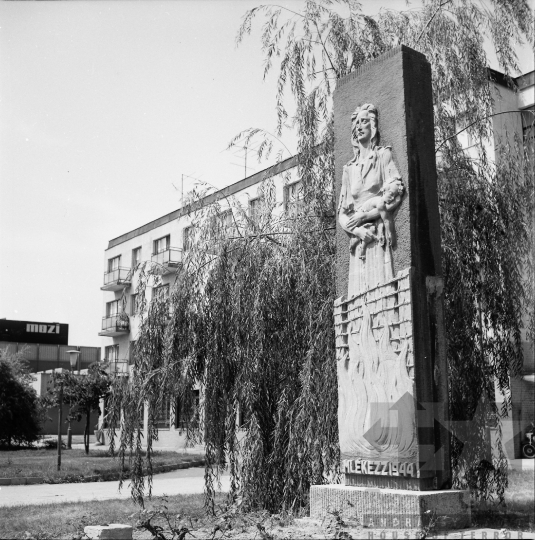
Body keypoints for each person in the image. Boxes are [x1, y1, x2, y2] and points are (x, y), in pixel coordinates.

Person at [338, 103, 404, 296]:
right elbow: (342, 215)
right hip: (360, 241)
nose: (359, 126)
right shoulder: (348, 169)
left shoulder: (384, 155)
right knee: (359, 301)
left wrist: (365, 217)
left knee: (382, 294)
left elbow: (395, 193)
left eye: (364, 121)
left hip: (379, 237)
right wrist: (357, 231)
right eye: (356, 123)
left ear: (373, 127)